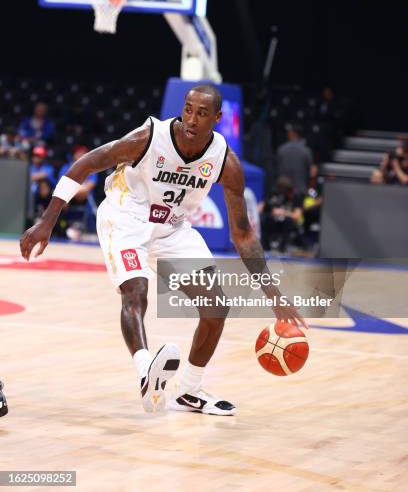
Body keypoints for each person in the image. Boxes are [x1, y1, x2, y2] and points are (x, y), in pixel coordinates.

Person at [20, 85, 306, 416]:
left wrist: (272, 293)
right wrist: (46, 221)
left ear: (217, 118)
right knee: (135, 291)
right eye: (188, 109)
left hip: (172, 229)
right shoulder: (149, 137)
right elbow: (85, 164)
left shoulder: (225, 163)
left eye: (201, 113)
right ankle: (146, 371)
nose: (192, 119)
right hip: (125, 218)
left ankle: (190, 391)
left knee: (216, 307)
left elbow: (242, 233)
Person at [277, 123, 313, 196]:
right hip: (301, 191)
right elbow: (311, 172)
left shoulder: (282, 149)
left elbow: (277, 171)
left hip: (284, 192)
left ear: (292, 133)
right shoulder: (306, 151)